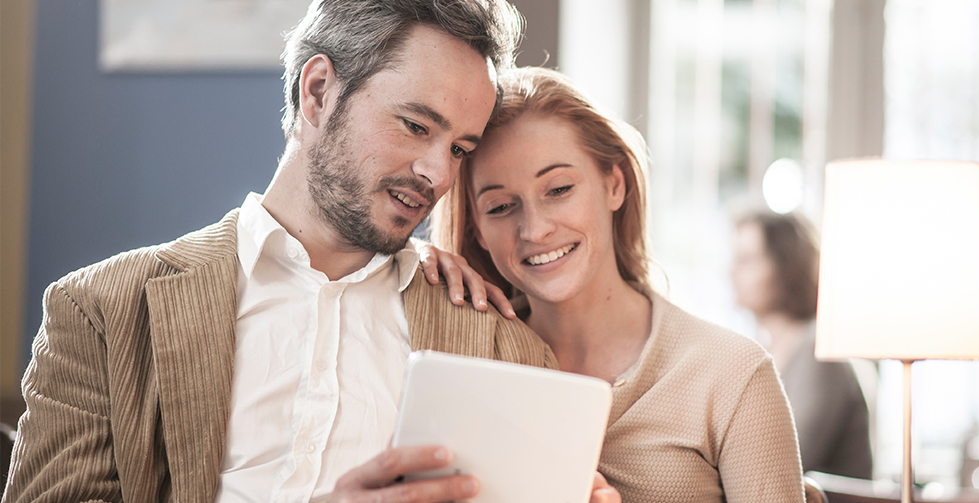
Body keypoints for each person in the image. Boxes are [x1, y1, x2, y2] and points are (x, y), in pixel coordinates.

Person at [5, 2, 618, 502]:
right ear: (319, 91)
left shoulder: (501, 344)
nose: (435, 173)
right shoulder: (103, 310)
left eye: (460, 149)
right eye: (414, 126)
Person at [427, 67, 805, 502]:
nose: (534, 229)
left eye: (559, 189)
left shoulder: (732, 376)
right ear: (475, 228)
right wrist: (406, 266)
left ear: (615, 184)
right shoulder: (462, 360)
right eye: (500, 206)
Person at [731, 211, 873, 479]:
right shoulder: (767, 350)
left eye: (747, 260)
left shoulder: (817, 351)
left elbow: (789, 458)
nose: (732, 272)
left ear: (785, 267)